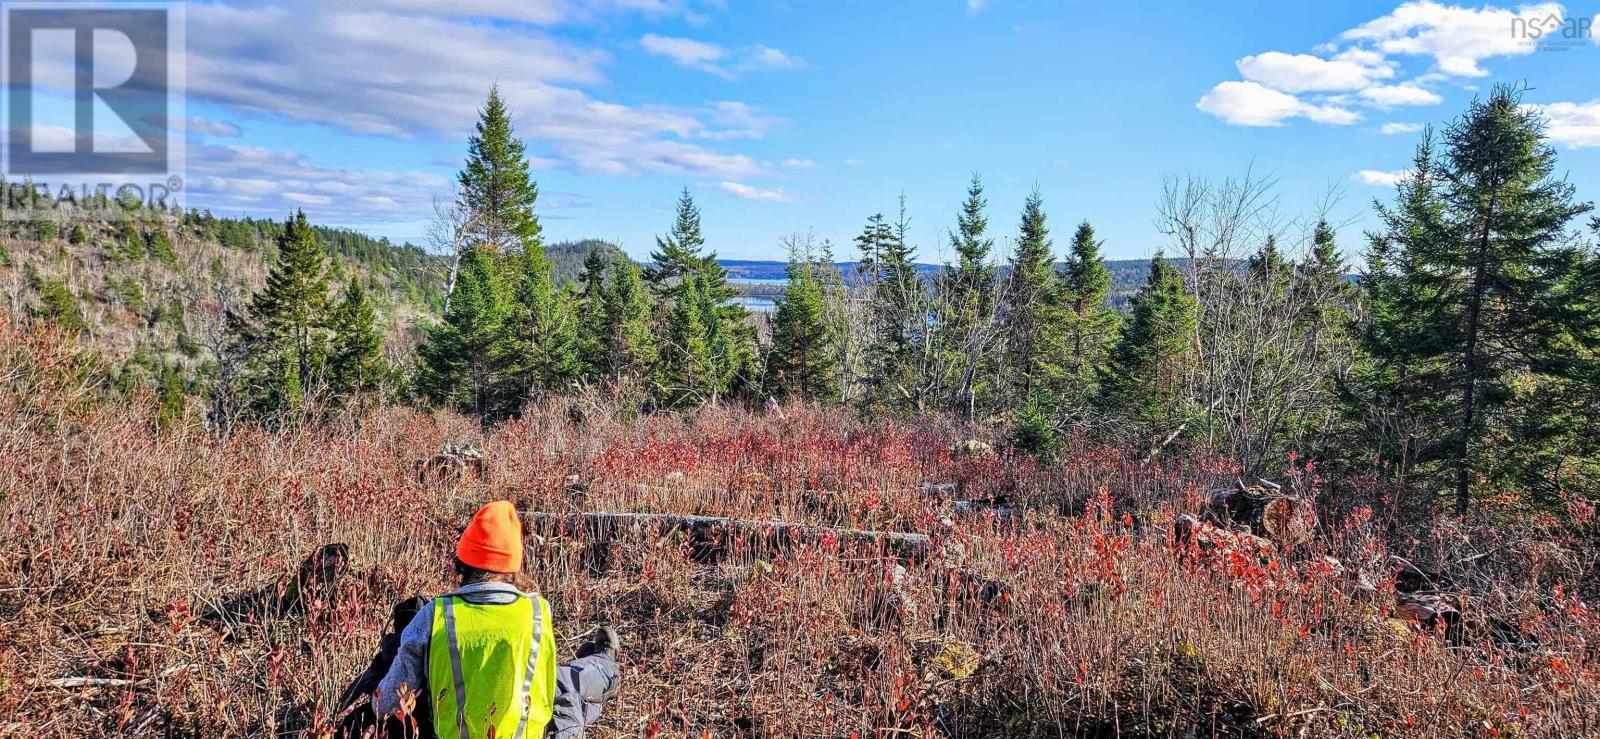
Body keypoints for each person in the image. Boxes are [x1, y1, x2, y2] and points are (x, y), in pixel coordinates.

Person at [370, 500, 620, 739]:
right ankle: (607, 667)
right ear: (514, 566)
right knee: (565, 682)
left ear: (462, 563)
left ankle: (604, 667)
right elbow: (544, 688)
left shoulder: (433, 616)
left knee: (566, 682)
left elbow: (386, 704)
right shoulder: (537, 611)